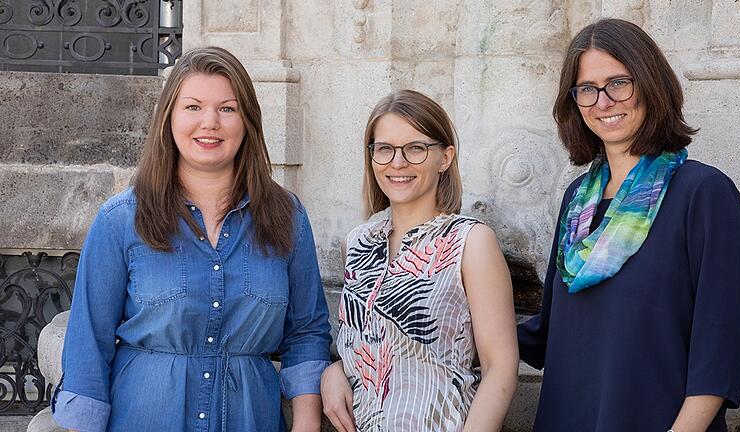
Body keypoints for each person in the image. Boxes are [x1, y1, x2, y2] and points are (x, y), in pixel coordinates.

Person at [51, 47, 332, 432]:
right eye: (193, 107)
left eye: (227, 109)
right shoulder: (120, 220)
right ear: (169, 118)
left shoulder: (287, 216)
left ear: (247, 121)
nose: (210, 122)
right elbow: (88, 348)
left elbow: (306, 333)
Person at [517, 18, 740, 432]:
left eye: (619, 83)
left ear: (650, 83)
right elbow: (547, 333)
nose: (603, 101)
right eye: (587, 89)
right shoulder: (577, 203)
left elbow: (718, 351)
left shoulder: (702, 194)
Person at [320, 90, 519, 432]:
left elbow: (500, 365)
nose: (398, 163)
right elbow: (371, 346)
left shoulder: (470, 241)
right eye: (384, 149)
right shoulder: (356, 243)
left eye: (416, 148)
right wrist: (333, 371)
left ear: (444, 158)